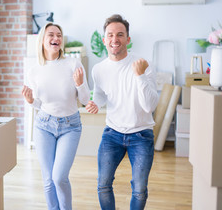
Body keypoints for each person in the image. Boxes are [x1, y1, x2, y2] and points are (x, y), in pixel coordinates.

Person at [86, 14, 159, 210]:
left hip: (141, 134)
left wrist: (140, 76)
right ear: (104, 40)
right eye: (110, 35)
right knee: (103, 185)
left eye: (120, 34)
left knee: (139, 189)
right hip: (113, 134)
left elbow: (149, 106)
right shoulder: (99, 69)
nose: (114, 39)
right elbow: (102, 94)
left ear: (128, 39)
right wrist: (96, 103)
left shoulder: (143, 64)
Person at [22, 22, 90, 210]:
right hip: (44, 125)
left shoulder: (73, 64)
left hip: (71, 126)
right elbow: (39, 104)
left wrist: (80, 83)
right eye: (51, 35)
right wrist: (30, 101)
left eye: (59, 35)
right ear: (42, 40)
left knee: (59, 177)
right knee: (48, 180)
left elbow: (84, 99)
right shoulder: (34, 71)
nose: (56, 38)